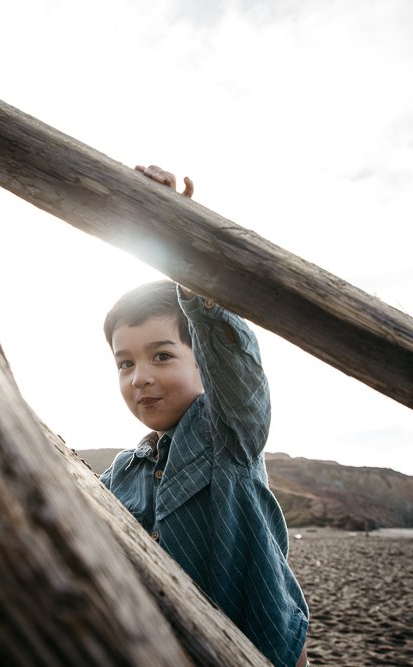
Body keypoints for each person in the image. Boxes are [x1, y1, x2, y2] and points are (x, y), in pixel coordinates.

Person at [99, 166, 310, 667]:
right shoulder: (120, 474)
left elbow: (230, 350)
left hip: (261, 647)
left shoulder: (228, 432)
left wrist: (177, 238)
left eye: (162, 356)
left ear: (202, 361)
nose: (140, 377)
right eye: (125, 363)